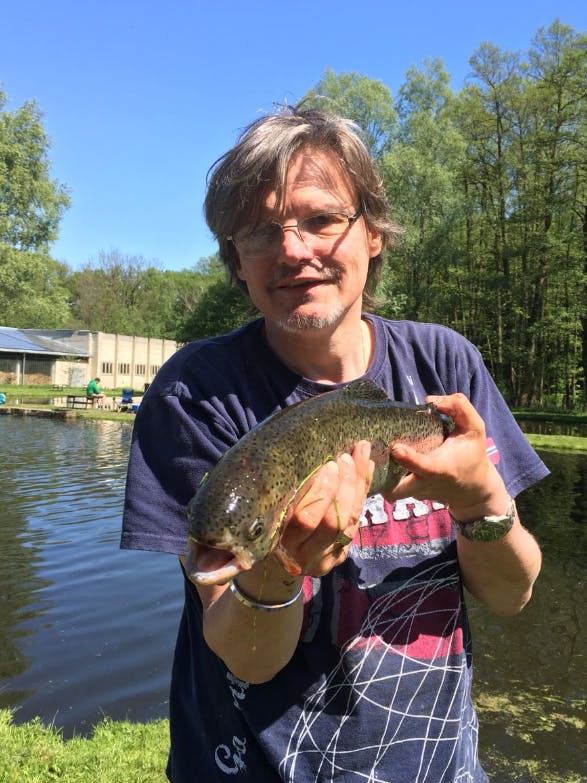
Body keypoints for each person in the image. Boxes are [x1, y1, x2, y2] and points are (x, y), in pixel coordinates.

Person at [121, 107, 547, 783]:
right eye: (260, 230)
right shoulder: (195, 392)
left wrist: (480, 499)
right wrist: (279, 566)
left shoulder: (445, 364)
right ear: (235, 256)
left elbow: (510, 593)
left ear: (371, 232)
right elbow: (247, 657)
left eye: (320, 219)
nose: (291, 249)